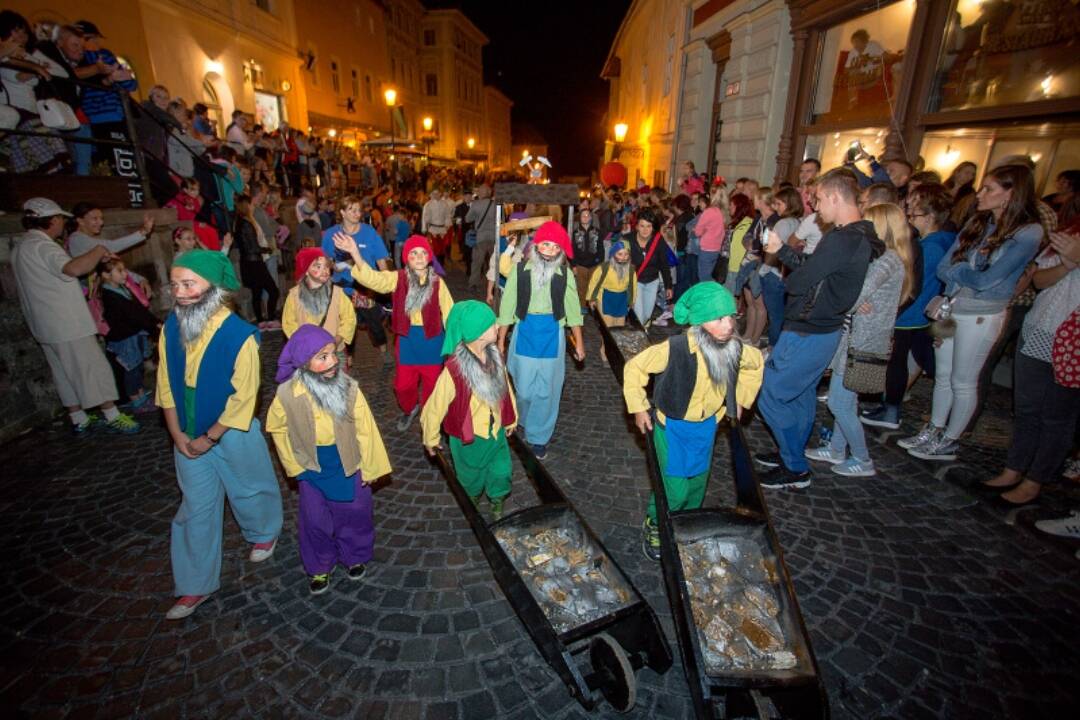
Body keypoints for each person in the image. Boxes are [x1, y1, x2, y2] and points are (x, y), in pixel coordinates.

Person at [156, 250, 283, 619]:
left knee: (249, 483)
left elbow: (245, 397)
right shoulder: (170, 327)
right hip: (186, 428)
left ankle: (263, 530)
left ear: (213, 289)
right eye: (176, 284)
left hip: (230, 429)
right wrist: (176, 433)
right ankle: (194, 584)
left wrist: (209, 438)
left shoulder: (241, 335)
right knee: (195, 505)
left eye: (189, 284)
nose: (179, 292)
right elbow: (165, 381)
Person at [903, 165, 1044, 462]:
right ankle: (935, 428)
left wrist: (963, 270)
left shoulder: (1028, 232)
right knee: (942, 375)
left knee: (963, 380)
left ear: (1011, 194)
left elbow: (988, 280)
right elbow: (945, 267)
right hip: (952, 309)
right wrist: (967, 270)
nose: (980, 194)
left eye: (989, 189)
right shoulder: (978, 223)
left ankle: (950, 439)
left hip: (982, 313)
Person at [624, 283, 764, 559]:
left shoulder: (734, 348)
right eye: (718, 319)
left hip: (706, 428)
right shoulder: (674, 348)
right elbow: (635, 367)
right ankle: (656, 522)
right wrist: (640, 408)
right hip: (671, 428)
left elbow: (756, 363)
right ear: (699, 321)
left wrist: (739, 401)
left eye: (730, 318)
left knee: (698, 485)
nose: (727, 326)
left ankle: (685, 525)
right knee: (674, 489)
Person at [754, 169, 874, 489]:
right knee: (802, 395)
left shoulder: (844, 238)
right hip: (820, 329)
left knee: (770, 393)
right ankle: (790, 453)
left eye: (819, 199)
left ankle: (794, 464)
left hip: (809, 329)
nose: (816, 207)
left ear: (835, 197)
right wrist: (782, 250)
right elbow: (810, 269)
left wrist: (789, 269)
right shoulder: (855, 236)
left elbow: (798, 281)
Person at [267, 325, 391, 595]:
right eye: (322, 357)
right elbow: (276, 427)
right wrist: (293, 465)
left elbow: (365, 428)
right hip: (311, 465)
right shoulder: (287, 394)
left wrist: (371, 467)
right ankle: (319, 564)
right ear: (303, 363)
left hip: (347, 460)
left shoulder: (348, 388)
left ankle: (355, 554)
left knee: (355, 513)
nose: (333, 361)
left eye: (333, 354)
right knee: (314, 520)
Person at [11, 198, 142, 436]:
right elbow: (72, 269)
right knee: (92, 367)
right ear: (51, 220)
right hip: (66, 321)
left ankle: (78, 417)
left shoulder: (22, 246)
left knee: (63, 372)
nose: (62, 223)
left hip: (44, 323)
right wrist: (98, 251)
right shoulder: (45, 247)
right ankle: (112, 414)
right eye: (60, 218)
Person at [806, 203, 913, 477]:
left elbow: (850, 294)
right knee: (847, 401)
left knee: (839, 403)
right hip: (854, 338)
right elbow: (850, 295)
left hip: (864, 343)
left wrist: (850, 299)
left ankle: (863, 459)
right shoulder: (881, 257)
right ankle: (838, 450)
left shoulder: (888, 259)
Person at [976, 226, 1080, 505]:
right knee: (1026, 407)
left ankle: (1035, 480)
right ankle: (1014, 469)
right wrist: (1068, 263)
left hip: (1074, 340)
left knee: (1057, 415)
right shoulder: (1070, 234)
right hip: (1040, 327)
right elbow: (1040, 280)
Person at [334, 234, 454, 431]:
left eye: (423, 253)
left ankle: (430, 419)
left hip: (432, 341)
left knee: (433, 387)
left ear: (429, 256)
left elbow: (450, 314)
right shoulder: (396, 278)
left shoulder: (438, 283)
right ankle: (410, 408)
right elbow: (373, 279)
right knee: (403, 386)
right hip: (406, 340)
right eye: (414, 253)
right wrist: (355, 252)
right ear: (407, 257)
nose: (419, 257)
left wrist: (455, 342)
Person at [862, 184, 955, 429]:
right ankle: (886, 403)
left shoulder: (930, 245)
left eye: (914, 214)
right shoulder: (937, 241)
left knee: (896, 363)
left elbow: (914, 286)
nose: (911, 217)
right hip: (913, 313)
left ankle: (891, 409)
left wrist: (894, 312)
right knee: (907, 361)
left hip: (907, 314)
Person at [421, 301, 518, 519]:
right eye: (492, 324)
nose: (498, 326)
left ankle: (497, 502)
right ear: (479, 333)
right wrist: (431, 437)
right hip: (469, 438)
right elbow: (434, 407)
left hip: (495, 433)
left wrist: (512, 418)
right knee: (471, 478)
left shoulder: (495, 357)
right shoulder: (454, 371)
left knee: (501, 473)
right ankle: (472, 500)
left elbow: (506, 388)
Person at [496, 222, 585, 459]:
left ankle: (539, 437)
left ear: (560, 251)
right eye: (545, 244)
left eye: (555, 247)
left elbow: (574, 310)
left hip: (552, 334)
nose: (549, 250)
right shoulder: (519, 270)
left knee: (547, 390)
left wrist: (579, 342)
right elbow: (507, 306)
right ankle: (524, 418)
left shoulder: (565, 274)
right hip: (525, 331)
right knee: (524, 389)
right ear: (537, 245)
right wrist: (501, 339)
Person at [322, 195, 392, 368]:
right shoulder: (331, 234)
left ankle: (384, 350)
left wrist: (387, 281)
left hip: (365, 288)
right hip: (342, 288)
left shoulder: (369, 233)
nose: (356, 213)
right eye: (351, 209)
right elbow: (325, 261)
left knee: (374, 323)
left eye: (358, 210)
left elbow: (382, 260)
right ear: (342, 213)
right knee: (346, 323)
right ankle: (348, 356)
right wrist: (335, 265)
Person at [0, 11, 71, 174]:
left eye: (23, 31)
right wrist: (36, 68)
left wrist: (34, 62)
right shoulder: (7, 57)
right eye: (15, 30)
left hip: (29, 109)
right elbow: (18, 75)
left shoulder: (25, 55)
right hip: (16, 110)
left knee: (42, 147)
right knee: (38, 144)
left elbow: (62, 73)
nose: (21, 36)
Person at [96, 257, 160, 410]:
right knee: (131, 368)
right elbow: (132, 314)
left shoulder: (122, 289)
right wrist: (153, 325)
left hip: (133, 334)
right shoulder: (110, 295)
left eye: (124, 270)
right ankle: (135, 400)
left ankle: (139, 393)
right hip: (124, 338)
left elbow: (138, 310)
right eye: (119, 271)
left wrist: (153, 321)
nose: (125, 274)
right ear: (106, 275)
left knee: (137, 366)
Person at [282, 247, 357, 347]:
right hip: (306, 352)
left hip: (333, 351)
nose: (325, 270)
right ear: (306, 271)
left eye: (326, 266)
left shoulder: (337, 293)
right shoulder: (294, 295)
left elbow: (349, 318)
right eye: (318, 267)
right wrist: (303, 342)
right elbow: (288, 323)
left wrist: (337, 340)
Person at [760, 187, 804, 348]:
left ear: (789, 204)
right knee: (780, 315)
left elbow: (773, 250)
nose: (776, 207)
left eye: (779, 204)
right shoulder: (798, 222)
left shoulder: (783, 223)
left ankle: (773, 348)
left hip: (774, 273)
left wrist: (764, 269)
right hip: (786, 273)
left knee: (775, 316)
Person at [232, 194, 279, 326]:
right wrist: (267, 249)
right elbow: (252, 247)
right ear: (246, 206)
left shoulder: (240, 222)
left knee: (257, 292)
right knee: (273, 290)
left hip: (249, 263)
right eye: (251, 204)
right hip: (254, 263)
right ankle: (269, 318)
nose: (253, 207)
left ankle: (261, 321)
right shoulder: (246, 224)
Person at [626, 210, 673, 326]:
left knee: (647, 315)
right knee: (639, 315)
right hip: (635, 282)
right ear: (636, 226)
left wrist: (668, 286)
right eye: (642, 226)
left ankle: (641, 332)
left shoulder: (658, 241)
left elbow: (664, 264)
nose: (645, 230)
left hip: (652, 282)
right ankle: (640, 338)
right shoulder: (627, 240)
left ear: (653, 227)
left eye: (649, 226)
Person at [67, 203, 154, 261]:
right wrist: (143, 232)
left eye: (101, 218)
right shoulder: (77, 239)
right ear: (80, 221)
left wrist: (138, 278)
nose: (101, 222)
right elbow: (112, 246)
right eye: (95, 218)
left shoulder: (84, 238)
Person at [692, 186, 729, 283]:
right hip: (717, 249)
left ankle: (707, 297)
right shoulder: (724, 212)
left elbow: (697, 232)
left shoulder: (709, 211)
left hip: (706, 248)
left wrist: (700, 230)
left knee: (704, 279)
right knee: (710, 276)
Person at [571, 206, 605, 307]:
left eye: (587, 215)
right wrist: (573, 265)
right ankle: (582, 307)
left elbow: (601, 249)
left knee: (594, 287)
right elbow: (571, 251)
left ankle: (593, 307)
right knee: (581, 288)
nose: (585, 217)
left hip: (594, 265)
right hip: (580, 266)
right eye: (583, 216)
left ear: (591, 218)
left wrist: (599, 262)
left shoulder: (597, 232)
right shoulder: (575, 233)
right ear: (579, 218)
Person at [465, 185, 497, 292]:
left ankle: (473, 284)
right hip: (494, 237)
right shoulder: (496, 205)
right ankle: (494, 285)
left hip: (480, 238)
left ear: (481, 193)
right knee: (494, 262)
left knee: (477, 263)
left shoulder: (476, 204)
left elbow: (468, 219)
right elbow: (502, 220)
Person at [422, 189, 452, 266]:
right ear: (431, 194)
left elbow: (448, 216)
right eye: (434, 193)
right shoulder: (428, 204)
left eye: (438, 193)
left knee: (442, 249)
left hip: (442, 230)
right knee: (433, 249)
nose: (436, 195)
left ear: (440, 194)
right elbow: (424, 217)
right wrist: (424, 228)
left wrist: (447, 226)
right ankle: (432, 266)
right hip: (432, 230)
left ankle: (441, 265)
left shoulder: (444, 204)